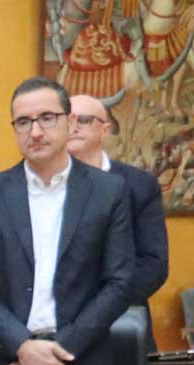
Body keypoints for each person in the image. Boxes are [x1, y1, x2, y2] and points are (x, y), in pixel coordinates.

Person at [0, 77, 134, 365]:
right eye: (24, 122)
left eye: (47, 118)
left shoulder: (109, 192)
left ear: (70, 122)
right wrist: (23, 346)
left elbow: (119, 283)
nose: (35, 131)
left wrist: (58, 350)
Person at [68, 93, 170, 346]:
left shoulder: (139, 184)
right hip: (53, 329)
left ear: (105, 131)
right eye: (66, 120)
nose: (73, 127)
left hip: (120, 323)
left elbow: (153, 265)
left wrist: (99, 308)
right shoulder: (40, 183)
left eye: (84, 120)